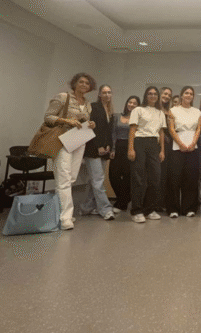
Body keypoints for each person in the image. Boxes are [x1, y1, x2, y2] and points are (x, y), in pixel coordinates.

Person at [43, 73, 96, 231]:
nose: (84, 85)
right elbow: (48, 117)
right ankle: (65, 217)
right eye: (81, 82)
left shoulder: (87, 103)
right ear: (74, 83)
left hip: (79, 139)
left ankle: (59, 212)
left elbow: (83, 121)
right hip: (62, 139)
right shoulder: (63, 97)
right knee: (64, 178)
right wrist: (66, 121)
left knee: (71, 178)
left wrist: (90, 124)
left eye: (87, 83)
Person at [127, 85, 166, 223]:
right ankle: (136, 211)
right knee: (138, 178)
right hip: (139, 142)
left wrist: (162, 150)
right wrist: (130, 149)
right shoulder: (138, 110)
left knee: (155, 177)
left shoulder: (160, 113)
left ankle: (149, 209)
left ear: (158, 97)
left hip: (154, 144)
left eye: (155, 94)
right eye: (150, 93)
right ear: (145, 95)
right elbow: (132, 129)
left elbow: (161, 132)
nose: (153, 96)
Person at [79, 84, 117, 221]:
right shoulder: (94, 107)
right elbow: (92, 128)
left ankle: (86, 207)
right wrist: (98, 146)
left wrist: (109, 146)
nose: (107, 95)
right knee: (98, 180)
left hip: (104, 149)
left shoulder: (110, 111)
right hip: (93, 149)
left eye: (109, 92)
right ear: (100, 94)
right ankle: (105, 209)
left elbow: (108, 131)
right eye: (104, 92)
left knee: (95, 181)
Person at [166, 86, 201, 217]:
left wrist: (193, 143)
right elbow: (171, 129)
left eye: (191, 94)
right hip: (177, 147)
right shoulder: (173, 110)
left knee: (191, 178)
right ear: (181, 95)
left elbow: (198, 129)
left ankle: (189, 208)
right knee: (174, 178)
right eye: (186, 93)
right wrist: (181, 144)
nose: (189, 95)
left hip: (193, 147)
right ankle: (173, 209)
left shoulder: (197, 112)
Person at [109, 95, 139, 214]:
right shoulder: (117, 116)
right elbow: (113, 133)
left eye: (134, 103)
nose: (131, 105)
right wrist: (113, 148)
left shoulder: (138, 118)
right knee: (113, 175)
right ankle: (124, 199)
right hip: (118, 147)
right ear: (127, 103)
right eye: (130, 102)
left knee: (127, 176)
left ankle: (122, 203)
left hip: (131, 147)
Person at [156, 86, 173, 211]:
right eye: (165, 94)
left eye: (169, 95)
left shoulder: (169, 111)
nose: (166, 96)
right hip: (155, 145)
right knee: (155, 174)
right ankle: (153, 203)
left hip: (168, 147)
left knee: (164, 175)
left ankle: (161, 203)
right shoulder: (154, 109)